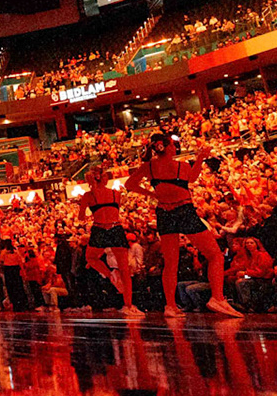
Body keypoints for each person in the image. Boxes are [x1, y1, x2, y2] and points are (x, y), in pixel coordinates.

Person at [135, 133, 244, 318]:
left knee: (170, 263)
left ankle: (170, 306)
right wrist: (201, 157)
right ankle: (217, 298)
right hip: (184, 210)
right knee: (215, 255)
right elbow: (192, 179)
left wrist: (153, 195)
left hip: (164, 212)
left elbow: (131, 184)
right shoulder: (181, 166)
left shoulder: (149, 167)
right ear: (169, 146)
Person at [77, 164, 143, 318]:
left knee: (91, 257)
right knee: (124, 269)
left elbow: (81, 217)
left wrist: (87, 216)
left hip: (100, 228)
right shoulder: (116, 194)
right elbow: (114, 210)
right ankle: (129, 305)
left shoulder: (89, 196)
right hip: (115, 228)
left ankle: (110, 274)